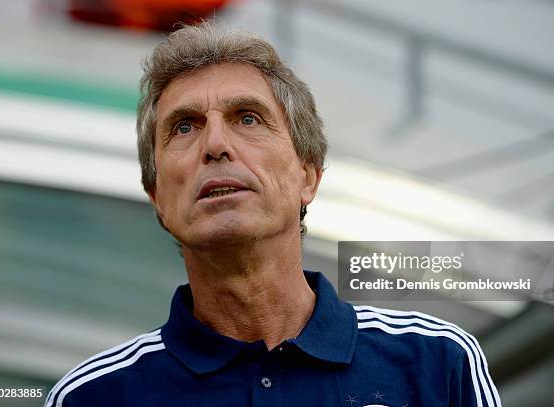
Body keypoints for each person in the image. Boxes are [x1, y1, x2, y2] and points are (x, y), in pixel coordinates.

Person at [45, 21, 501, 407]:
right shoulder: (93, 396)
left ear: (308, 176)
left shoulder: (437, 362)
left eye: (247, 118)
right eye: (184, 127)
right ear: (157, 196)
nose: (216, 145)